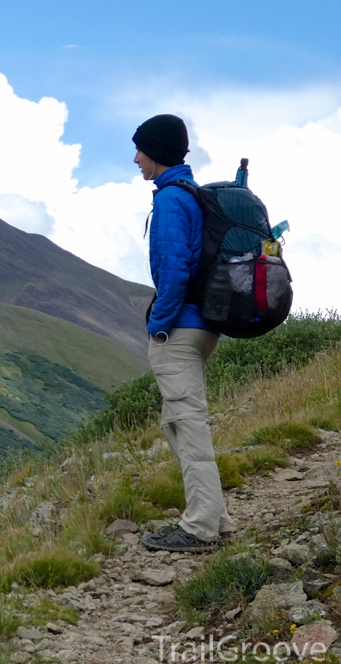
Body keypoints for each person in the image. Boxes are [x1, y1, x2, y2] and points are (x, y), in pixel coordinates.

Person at [132, 114, 235, 553]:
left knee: (187, 424)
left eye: (141, 150)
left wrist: (159, 327)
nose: (136, 159)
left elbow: (174, 270)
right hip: (203, 327)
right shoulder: (191, 194)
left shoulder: (172, 200)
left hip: (181, 329)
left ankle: (200, 528)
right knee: (177, 424)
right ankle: (218, 519)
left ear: (157, 152)